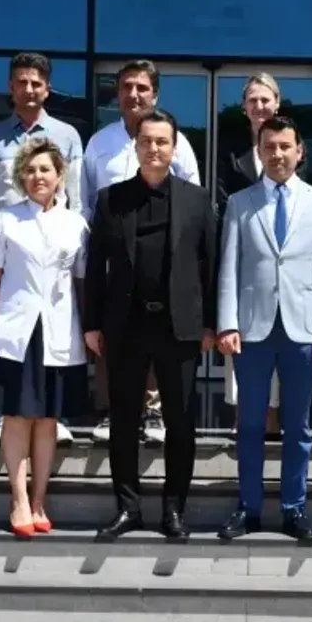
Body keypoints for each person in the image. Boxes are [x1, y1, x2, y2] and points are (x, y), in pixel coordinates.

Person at [83, 108, 217, 541]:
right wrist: (91, 323)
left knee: (180, 421)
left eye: (162, 141)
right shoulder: (111, 199)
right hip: (126, 324)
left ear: (174, 148)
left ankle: (174, 510)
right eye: (146, 141)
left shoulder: (197, 200)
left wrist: (211, 324)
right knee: (123, 420)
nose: (154, 148)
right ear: (135, 147)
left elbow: (210, 266)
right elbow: (96, 266)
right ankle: (128, 508)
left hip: (180, 326)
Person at [215, 115, 312, 542]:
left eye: (285, 146)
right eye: (269, 147)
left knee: (297, 426)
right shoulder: (240, 202)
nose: (277, 154)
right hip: (252, 329)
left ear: (300, 151)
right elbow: (229, 266)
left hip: (302, 329)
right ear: (260, 151)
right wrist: (227, 322)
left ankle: (294, 508)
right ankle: (248, 508)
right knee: (250, 424)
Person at [81, 59, 202, 445]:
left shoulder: (177, 142)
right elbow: (85, 200)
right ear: (117, 94)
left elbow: (193, 200)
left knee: (160, 337)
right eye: (126, 87)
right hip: (117, 257)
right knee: (115, 339)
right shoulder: (99, 143)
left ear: (155, 94)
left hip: (164, 261)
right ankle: (111, 410)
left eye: (142, 88)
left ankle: (154, 410)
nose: (133, 95)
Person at [0, 137, 90, 538]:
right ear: (21, 176)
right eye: (30, 170)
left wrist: (90, 331)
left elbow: (81, 283)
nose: (38, 176)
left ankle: (39, 499)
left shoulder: (76, 224)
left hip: (60, 330)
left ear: (60, 175)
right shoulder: (6, 220)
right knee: (17, 416)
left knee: (47, 419)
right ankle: (18, 498)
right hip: (15, 328)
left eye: (46, 169)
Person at [0, 52, 82, 444]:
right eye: (22, 82)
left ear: (47, 89)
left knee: (53, 332)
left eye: (36, 83)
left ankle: (55, 414)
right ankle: (4, 414)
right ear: (11, 87)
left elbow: (76, 196)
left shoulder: (67, 136)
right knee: (3, 334)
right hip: (6, 244)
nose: (29, 89)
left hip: (53, 250)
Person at [219, 73, 282, 437]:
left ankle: (272, 424)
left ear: (277, 103)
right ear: (244, 108)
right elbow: (223, 203)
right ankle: (243, 421)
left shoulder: (293, 147)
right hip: (245, 264)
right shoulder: (232, 154)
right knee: (242, 345)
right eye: (253, 100)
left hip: (284, 266)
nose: (259, 106)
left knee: (279, 350)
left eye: (265, 99)